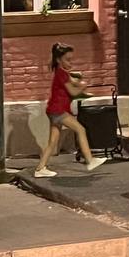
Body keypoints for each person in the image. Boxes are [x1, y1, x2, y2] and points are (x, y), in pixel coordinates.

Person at [34, 43, 106, 177]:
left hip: (53, 110)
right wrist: (82, 87)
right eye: (67, 59)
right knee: (80, 129)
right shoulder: (62, 73)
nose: (70, 62)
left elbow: (73, 82)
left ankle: (40, 169)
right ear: (58, 60)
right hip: (58, 110)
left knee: (52, 141)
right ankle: (90, 160)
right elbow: (73, 92)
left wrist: (80, 83)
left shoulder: (62, 73)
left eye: (71, 59)